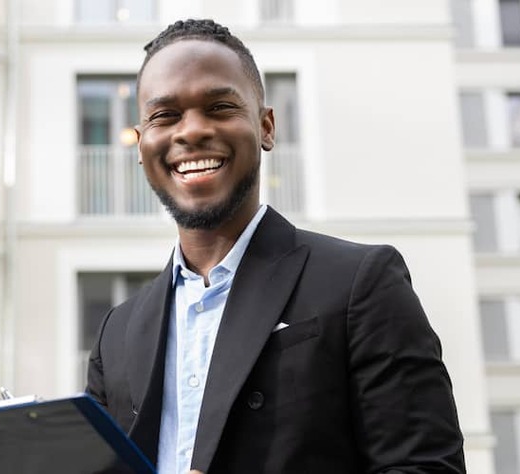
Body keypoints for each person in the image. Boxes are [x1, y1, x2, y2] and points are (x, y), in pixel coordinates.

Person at [85, 19, 466, 474]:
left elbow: (426, 467)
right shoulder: (117, 333)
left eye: (220, 107)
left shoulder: (361, 283)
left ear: (266, 127)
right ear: (142, 143)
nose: (190, 131)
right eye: (165, 116)